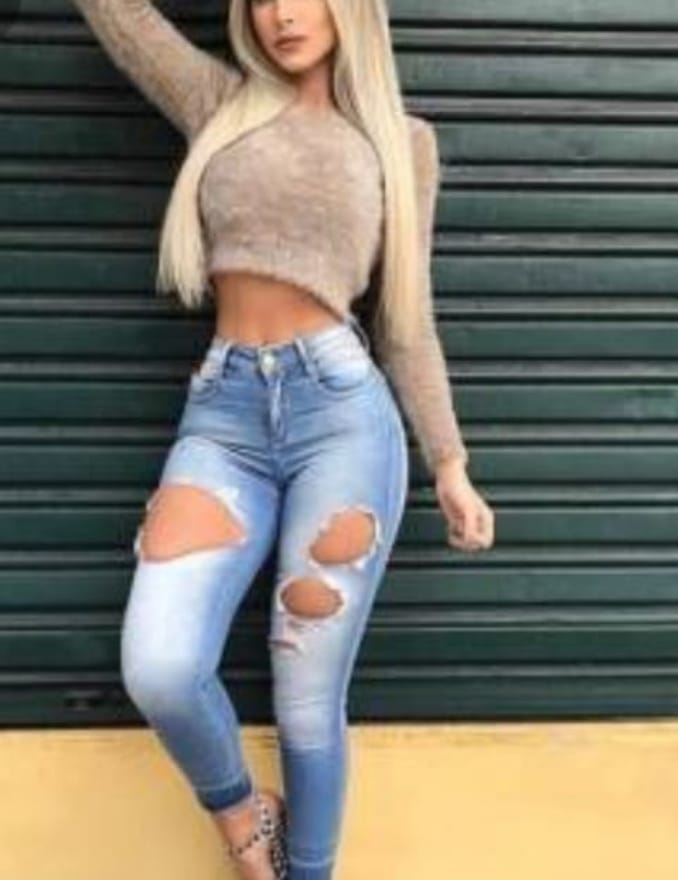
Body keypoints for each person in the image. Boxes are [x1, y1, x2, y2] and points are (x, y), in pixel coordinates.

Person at [70, 1, 496, 878]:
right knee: (159, 665)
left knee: (308, 701)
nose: (279, 13)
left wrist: (450, 462)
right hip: (222, 417)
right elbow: (120, 15)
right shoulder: (217, 101)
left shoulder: (402, 144)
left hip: (342, 418)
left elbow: (408, 324)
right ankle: (243, 818)